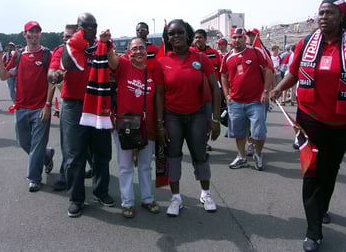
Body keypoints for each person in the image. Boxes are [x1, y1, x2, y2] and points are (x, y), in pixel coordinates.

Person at [270, 0, 346, 252]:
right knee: (312, 173)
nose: (323, 17)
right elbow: (294, 72)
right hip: (310, 120)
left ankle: (322, 208)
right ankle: (313, 230)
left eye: (329, 13)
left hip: (343, 121)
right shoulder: (307, 43)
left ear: (341, 17)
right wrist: (277, 88)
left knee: (329, 172)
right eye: (320, 13)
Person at [50, 13, 114, 218]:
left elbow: (115, 67)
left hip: (98, 105)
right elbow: (52, 72)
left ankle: (101, 191)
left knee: (102, 152)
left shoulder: (103, 47)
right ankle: (76, 198)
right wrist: (56, 75)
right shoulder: (64, 50)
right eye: (86, 26)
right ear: (79, 27)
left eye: (94, 26)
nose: (91, 29)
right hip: (74, 106)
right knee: (74, 154)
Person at [154, 19, 221, 217]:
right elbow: (159, 94)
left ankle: (206, 194)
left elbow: (215, 89)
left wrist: (215, 119)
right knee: (173, 157)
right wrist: (159, 124)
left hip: (197, 115)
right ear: (168, 38)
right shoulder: (162, 62)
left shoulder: (201, 58)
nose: (176, 37)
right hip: (172, 116)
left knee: (200, 155)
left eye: (180, 32)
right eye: (171, 34)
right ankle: (176, 198)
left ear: (187, 34)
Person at [100, 32, 160, 218]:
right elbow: (111, 57)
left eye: (142, 48)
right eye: (134, 48)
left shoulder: (151, 72)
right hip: (126, 122)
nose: (139, 51)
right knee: (125, 166)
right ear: (128, 52)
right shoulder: (124, 66)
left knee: (144, 166)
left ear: (147, 50)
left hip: (147, 125)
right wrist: (106, 41)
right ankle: (128, 202)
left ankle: (147, 199)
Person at [0, 21, 55, 192]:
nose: (34, 35)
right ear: (25, 34)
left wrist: (48, 105)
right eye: (31, 32)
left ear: (40, 34)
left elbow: (52, 81)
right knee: (23, 142)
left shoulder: (46, 55)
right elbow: (5, 75)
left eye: (37, 32)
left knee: (36, 144)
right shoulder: (19, 55)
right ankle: (47, 154)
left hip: (40, 108)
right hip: (21, 107)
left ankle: (34, 178)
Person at [221, 27, 273, 171]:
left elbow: (268, 70)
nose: (237, 40)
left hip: (256, 101)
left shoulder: (256, 52)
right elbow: (223, 75)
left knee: (259, 133)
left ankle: (258, 154)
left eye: (240, 37)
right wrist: (226, 95)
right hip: (236, 102)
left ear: (245, 38)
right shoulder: (227, 57)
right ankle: (242, 157)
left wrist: (265, 91)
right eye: (234, 38)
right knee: (238, 133)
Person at [48, 24, 78, 191]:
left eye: (69, 36)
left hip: (90, 102)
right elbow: (51, 75)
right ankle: (65, 176)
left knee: (90, 144)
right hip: (69, 102)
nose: (66, 39)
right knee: (68, 144)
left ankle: (95, 172)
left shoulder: (87, 50)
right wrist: (56, 75)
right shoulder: (59, 52)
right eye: (64, 37)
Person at [191, 29, 222, 152]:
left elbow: (220, 72)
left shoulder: (214, 53)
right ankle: (195, 140)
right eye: (196, 37)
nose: (198, 39)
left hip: (211, 92)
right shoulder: (191, 53)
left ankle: (204, 141)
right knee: (195, 119)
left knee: (208, 118)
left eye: (200, 37)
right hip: (194, 93)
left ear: (205, 39)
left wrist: (221, 91)